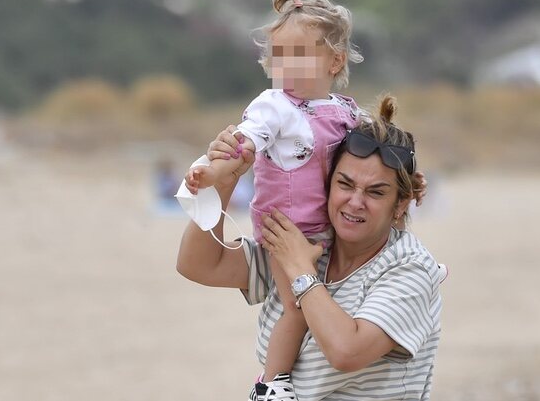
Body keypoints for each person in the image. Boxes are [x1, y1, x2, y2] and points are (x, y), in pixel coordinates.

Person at [177, 96, 444, 400]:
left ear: (400, 205)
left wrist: (302, 272)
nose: (355, 202)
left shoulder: (410, 269)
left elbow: (347, 351)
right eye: (344, 184)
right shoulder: (311, 244)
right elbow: (197, 264)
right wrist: (225, 181)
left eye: (376, 192)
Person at [178, 0, 365, 397]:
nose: (286, 67)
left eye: (299, 55)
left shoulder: (345, 111)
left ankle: (416, 270)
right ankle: (271, 385)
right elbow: (243, 143)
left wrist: (412, 180)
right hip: (286, 229)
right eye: (279, 57)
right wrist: (211, 172)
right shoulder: (274, 106)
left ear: (334, 62)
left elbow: (374, 161)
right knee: (298, 307)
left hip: (329, 225)